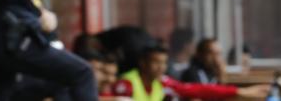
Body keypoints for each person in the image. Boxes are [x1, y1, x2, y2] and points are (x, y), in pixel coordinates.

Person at [112, 45, 268, 100]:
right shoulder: (125, 84)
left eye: (164, 63)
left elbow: (196, 89)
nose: (161, 67)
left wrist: (240, 91)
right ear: (143, 63)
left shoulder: (162, 82)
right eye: (155, 62)